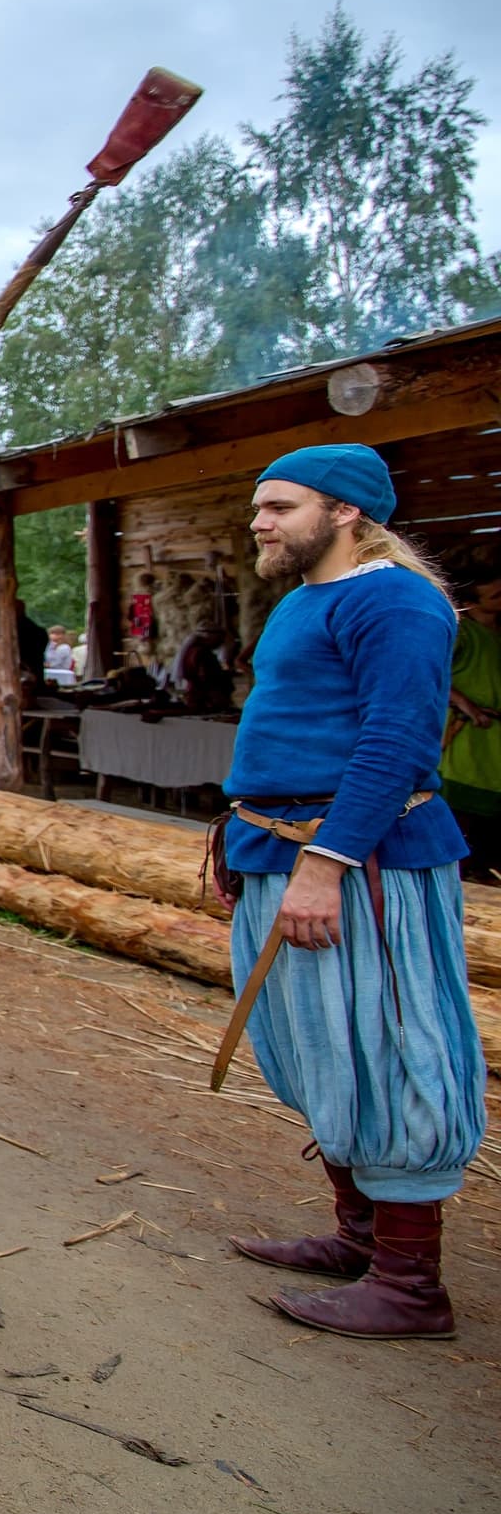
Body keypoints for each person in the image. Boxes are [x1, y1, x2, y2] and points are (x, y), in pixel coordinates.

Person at [217, 443, 484, 1341]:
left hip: (364, 863)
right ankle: (360, 1237)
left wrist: (325, 862)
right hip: (282, 848)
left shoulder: (396, 599)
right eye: (259, 505)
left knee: (388, 1044)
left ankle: (410, 1283)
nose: (260, 521)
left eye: (281, 506)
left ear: (346, 512)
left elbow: (398, 740)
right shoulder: (305, 599)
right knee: (321, 1044)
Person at [439, 571, 501, 877]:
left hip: (493, 736)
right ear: (472, 602)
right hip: (466, 734)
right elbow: (429, 668)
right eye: (496, 596)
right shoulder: (462, 632)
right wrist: (464, 703)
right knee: (462, 809)